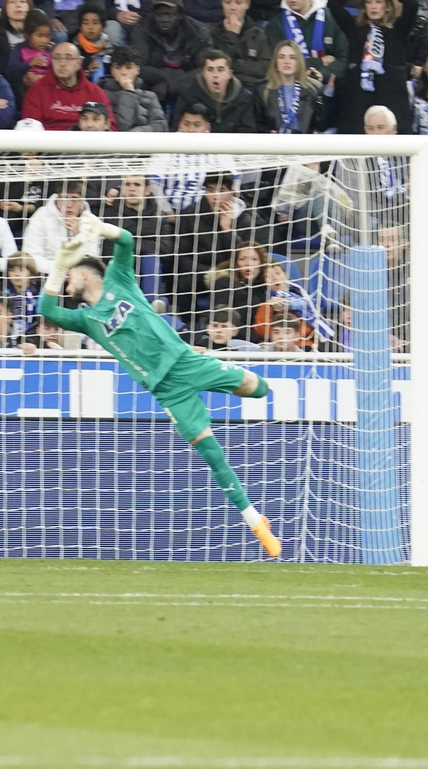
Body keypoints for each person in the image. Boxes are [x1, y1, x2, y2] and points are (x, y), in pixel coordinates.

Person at [39, 211, 282, 557]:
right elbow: (47, 310)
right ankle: (256, 522)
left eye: (68, 277)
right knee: (211, 454)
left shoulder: (119, 280)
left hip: (186, 361)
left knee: (258, 388)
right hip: (165, 388)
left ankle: (218, 359)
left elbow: (126, 241)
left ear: (84, 273)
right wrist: (58, 266)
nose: (66, 286)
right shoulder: (86, 319)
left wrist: (102, 229)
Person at [330, 0, 419, 133]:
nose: (373, 6)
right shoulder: (354, 30)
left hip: (391, 95)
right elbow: (334, 2)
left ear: (387, 5)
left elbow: (412, 4)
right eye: (369, 1)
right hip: (358, 98)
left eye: (379, 1)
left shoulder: (398, 30)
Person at [129, 0, 210, 107]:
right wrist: (170, 78)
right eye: (160, 14)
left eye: (170, 14)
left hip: (188, 85)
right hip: (151, 84)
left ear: (180, 15)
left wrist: (170, 84)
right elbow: (137, 67)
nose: (164, 19)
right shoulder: (141, 29)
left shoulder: (198, 33)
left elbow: (204, 69)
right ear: (152, 14)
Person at [265, 0, 342, 87]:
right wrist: (321, 61)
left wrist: (322, 74)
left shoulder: (331, 17)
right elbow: (277, 64)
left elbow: (342, 57)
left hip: (328, 84)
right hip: (289, 85)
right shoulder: (275, 24)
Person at [22, 38, 114, 128]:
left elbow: (110, 127)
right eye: (57, 58)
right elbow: (30, 128)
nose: (62, 63)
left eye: (68, 58)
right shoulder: (37, 90)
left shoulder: (95, 92)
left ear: (79, 63)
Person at [207, 0, 272, 92]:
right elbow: (214, 66)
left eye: (238, 2)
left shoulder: (258, 34)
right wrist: (231, 34)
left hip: (252, 88)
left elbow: (265, 68)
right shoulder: (211, 32)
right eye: (227, 2)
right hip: (220, 88)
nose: (232, 7)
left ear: (247, 4)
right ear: (221, 3)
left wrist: (233, 64)